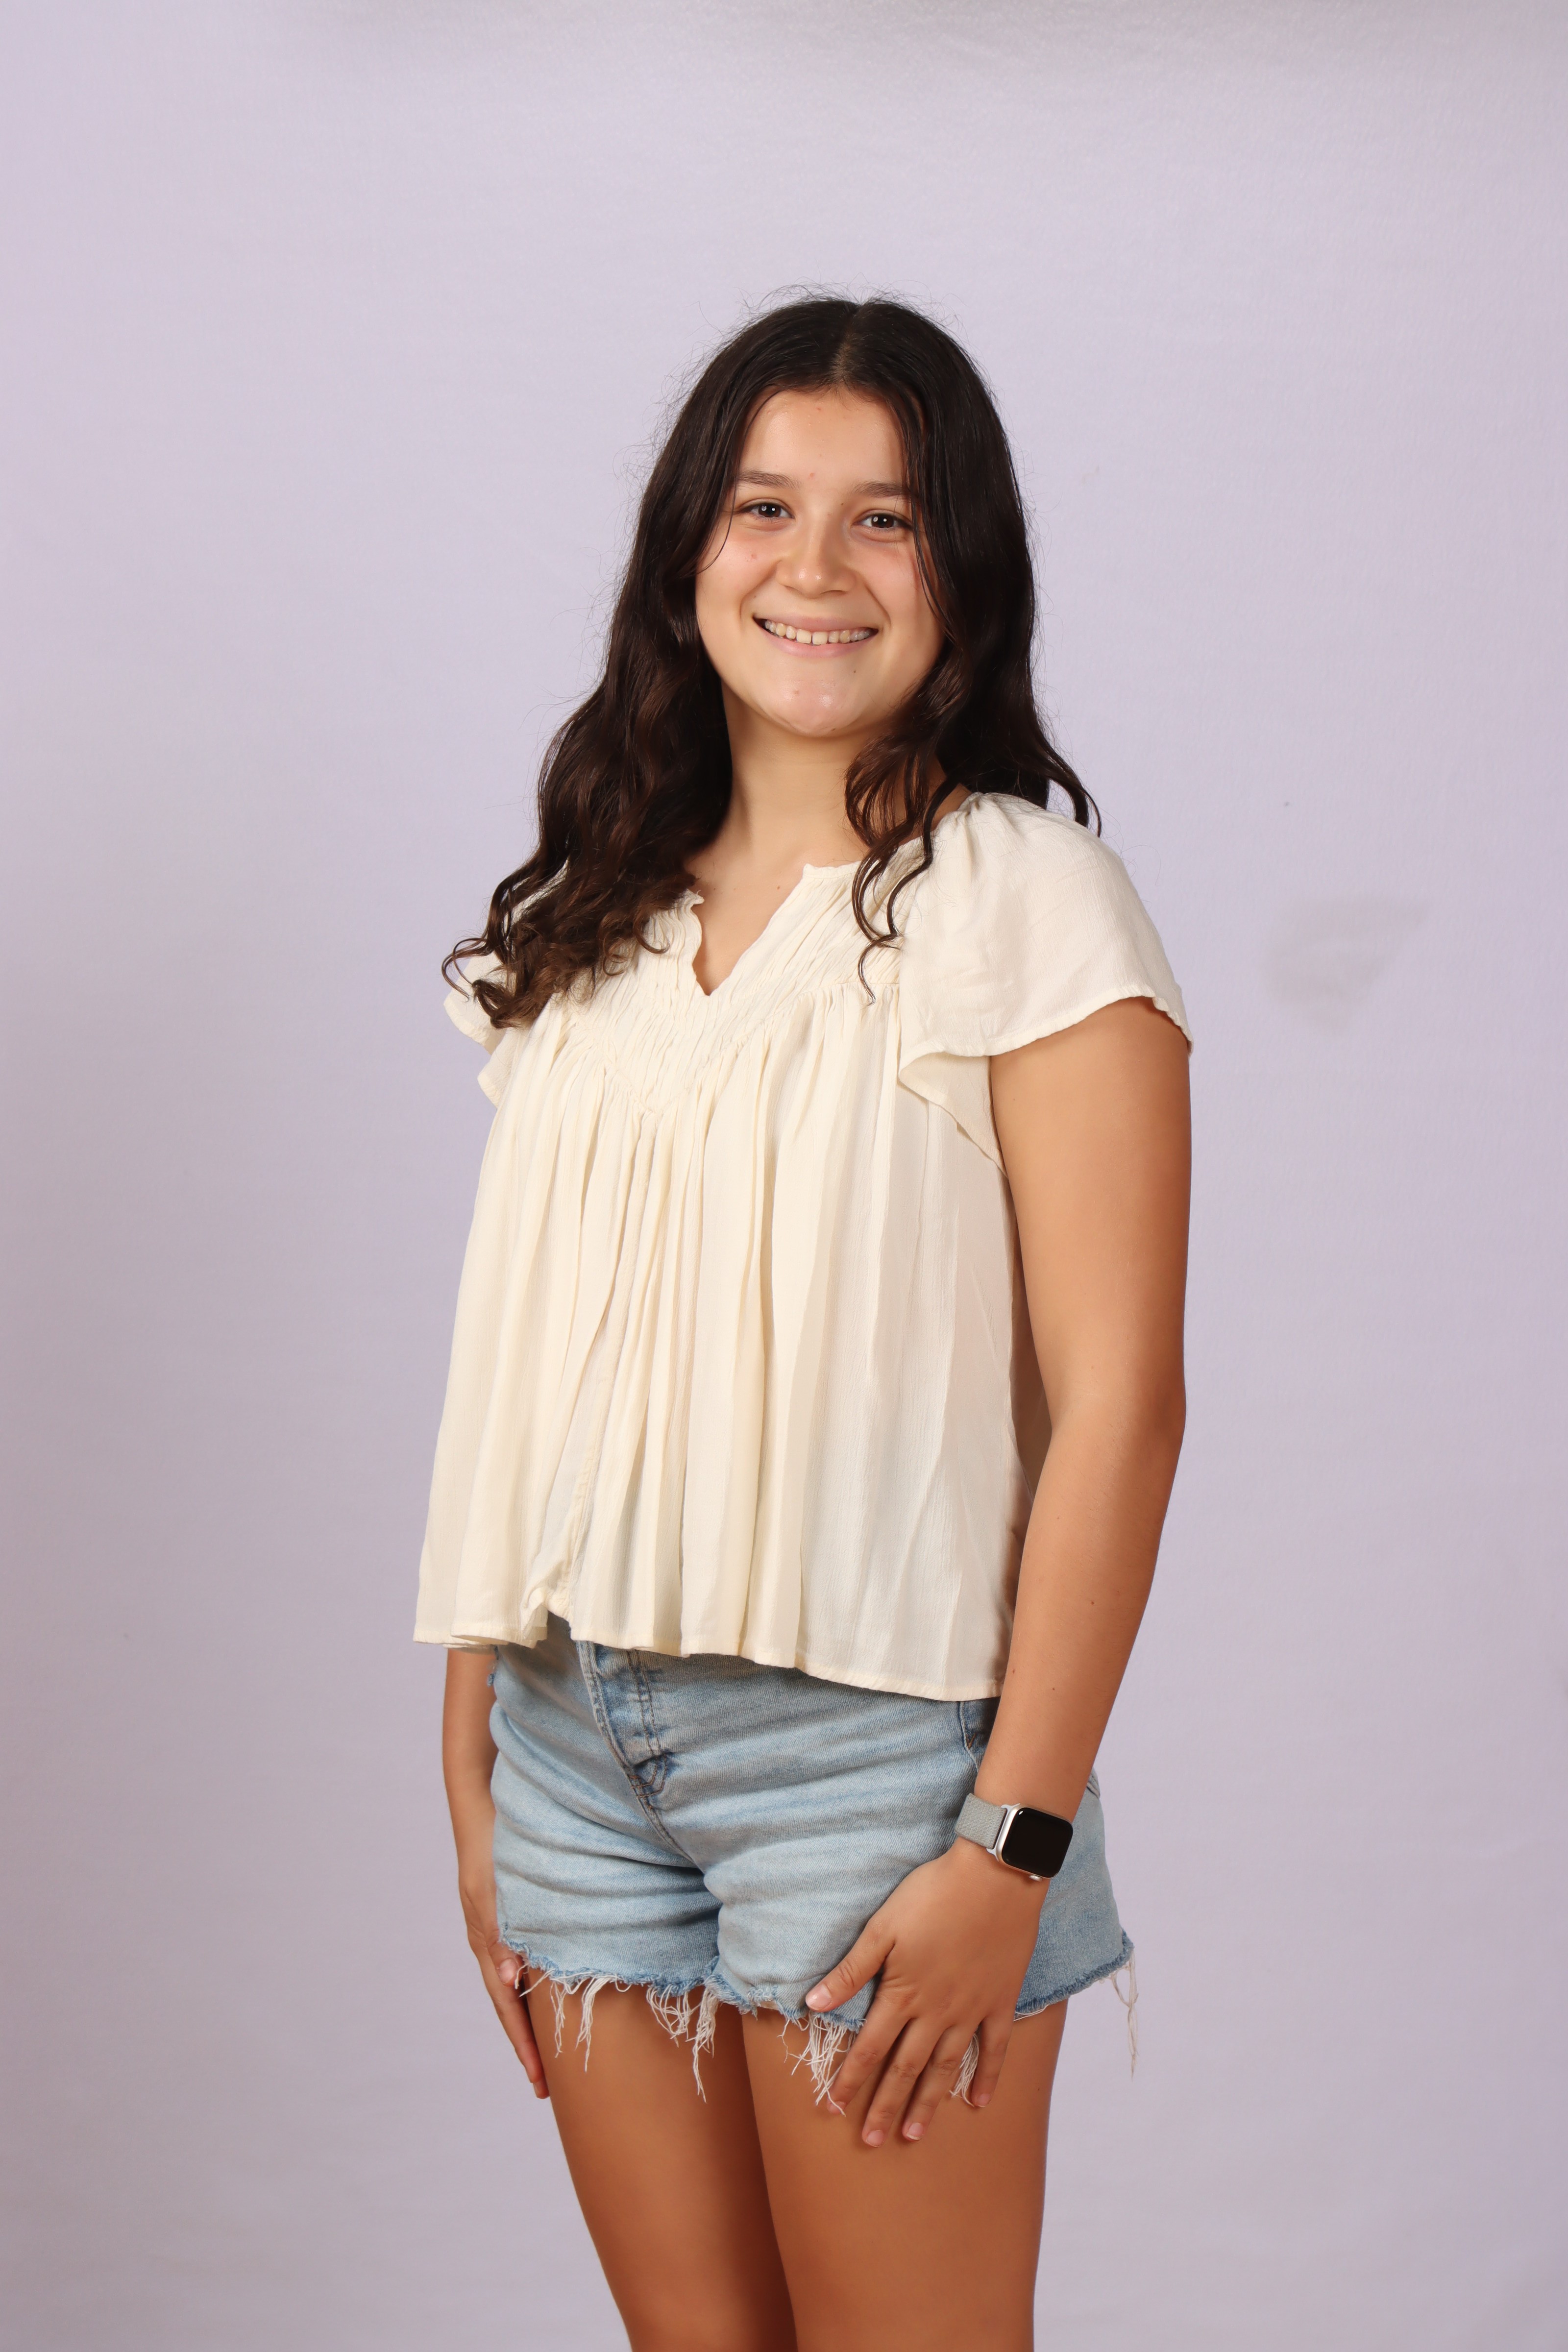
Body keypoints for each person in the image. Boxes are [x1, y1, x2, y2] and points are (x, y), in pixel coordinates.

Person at [419, 295, 1191, 2352]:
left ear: (963, 570)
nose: (816, 567)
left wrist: (1009, 1847)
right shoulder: (591, 919)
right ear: (692, 547)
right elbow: (539, 1367)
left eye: (887, 518)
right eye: (765, 506)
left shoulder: (1022, 899)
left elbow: (1121, 1408)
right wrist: (473, 1758)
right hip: (569, 1747)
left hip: (881, 1769)